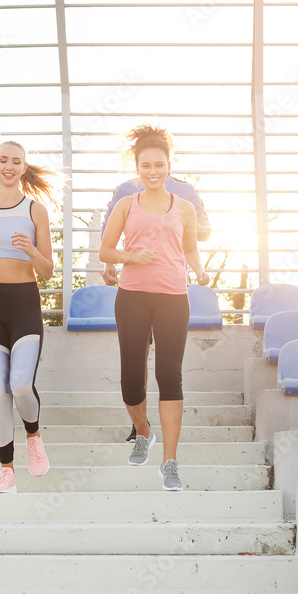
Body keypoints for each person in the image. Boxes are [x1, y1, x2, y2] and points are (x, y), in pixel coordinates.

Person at [99, 123, 210, 492]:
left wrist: (199, 269)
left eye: (159, 164)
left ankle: (170, 462)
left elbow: (190, 246)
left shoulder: (185, 207)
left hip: (174, 299)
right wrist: (130, 255)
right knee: (132, 379)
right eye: (146, 165)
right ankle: (144, 431)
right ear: (137, 167)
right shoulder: (125, 204)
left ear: (169, 164)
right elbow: (106, 250)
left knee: (169, 375)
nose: (153, 171)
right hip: (131, 296)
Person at [0, 140, 59, 493]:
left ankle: (33, 435)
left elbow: (48, 270)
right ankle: (7, 470)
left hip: (23, 303)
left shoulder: (36, 210)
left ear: (23, 167)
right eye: (3, 159)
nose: (8, 165)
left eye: (15, 161)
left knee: (20, 384)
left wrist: (30, 248)